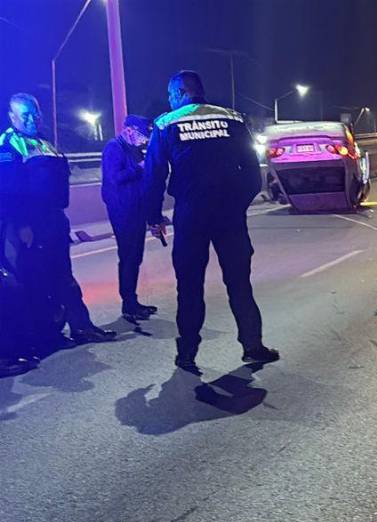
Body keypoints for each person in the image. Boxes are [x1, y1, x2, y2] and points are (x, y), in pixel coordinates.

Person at [143, 70, 277, 372]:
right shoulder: (232, 117)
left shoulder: (166, 124)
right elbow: (254, 174)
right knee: (240, 282)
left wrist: (153, 216)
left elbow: (153, 176)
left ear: (178, 93)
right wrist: (237, 204)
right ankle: (253, 346)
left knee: (189, 285)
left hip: (191, 214)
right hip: (229, 214)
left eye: (170, 96)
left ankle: (188, 352)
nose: (169, 101)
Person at [0, 93, 115, 349]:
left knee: (63, 274)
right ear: (12, 117)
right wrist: (22, 226)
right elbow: (8, 190)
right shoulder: (9, 145)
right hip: (31, 222)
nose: (32, 119)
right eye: (25, 115)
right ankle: (47, 335)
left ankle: (81, 326)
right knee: (39, 279)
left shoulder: (44, 142)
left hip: (54, 218)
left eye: (35, 113)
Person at [102, 114, 157, 322]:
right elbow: (114, 178)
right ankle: (128, 304)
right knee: (128, 256)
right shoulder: (114, 148)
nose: (144, 140)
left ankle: (133, 301)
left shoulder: (133, 148)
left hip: (136, 208)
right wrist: (139, 168)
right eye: (142, 135)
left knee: (135, 256)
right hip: (122, 210)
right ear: (130, 130)